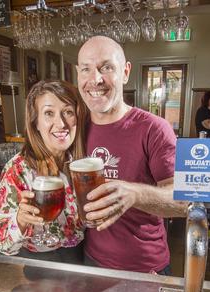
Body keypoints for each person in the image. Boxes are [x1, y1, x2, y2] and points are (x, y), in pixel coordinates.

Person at [76, 36, 187, 274]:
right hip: (91, 261)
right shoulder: (75, 128)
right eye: (86, 69)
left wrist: (134, 194)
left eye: (106, 67)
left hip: (145, 268)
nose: (95, 79)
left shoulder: (154, 128)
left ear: (125, 72)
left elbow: (183, 202)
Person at [0, 80, 87, 263]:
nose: (61, 123)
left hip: (80, 257)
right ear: (36, 123)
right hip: (40, 265)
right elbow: (0, 242)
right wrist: (20, 220)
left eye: (68, 112)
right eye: (49, 113)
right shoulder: (18, 168)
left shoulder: (78, 163)